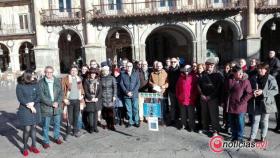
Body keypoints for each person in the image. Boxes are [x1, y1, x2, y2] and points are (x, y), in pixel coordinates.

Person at [248, 63, 279, 142]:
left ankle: (263, 136)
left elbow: (275, 91)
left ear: (266, 70)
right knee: (255, 120)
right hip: (256, 102)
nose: (260, 70)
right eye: (258, 68)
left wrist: (263, 92)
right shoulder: (253, 78)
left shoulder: (271, 78)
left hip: (267, 103)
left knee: (264, 120)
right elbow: (248, 88)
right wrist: (253, 91)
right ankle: (252, 137)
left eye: (262, 69)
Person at [223, 66, 253, 142]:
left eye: (241, 72)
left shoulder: (245, 81)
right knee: (232, 122)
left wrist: (242, 101)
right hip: (230, 105)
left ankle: (239, 138)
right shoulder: (229, 80)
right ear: (234, 73)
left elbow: (249, 93)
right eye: (239, 73)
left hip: (240, 106)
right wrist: (223, 101)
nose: (241, 74)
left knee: (240, 122)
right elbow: (224, 91)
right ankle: (234, 136)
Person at [16, 70, 41, 156]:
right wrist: (30, 105)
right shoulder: (20, 85)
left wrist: (33, 103)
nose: (34, 77)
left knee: (34, 127)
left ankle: (34, 146)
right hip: (25, 109)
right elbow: (20, 98)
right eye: (33, 75)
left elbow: (39, 96)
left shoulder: (36, 84)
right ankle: (25, 147)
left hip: (35, 107)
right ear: (28, 76)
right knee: (27, 129)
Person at [39, 66, 63, 149]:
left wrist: (57, 102)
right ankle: (46, 141)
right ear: (44, 72)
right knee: (45, 125)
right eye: (47, 72)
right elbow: (41, 96)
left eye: (50, 72)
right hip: (46, 108)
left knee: (57, 123)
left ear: (53, 72)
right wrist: (51, 103)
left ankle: (56, 137)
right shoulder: (41, 83)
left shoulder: (57, 81)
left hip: (57, 107)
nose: (49, 73)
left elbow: (61, 93)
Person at [198, 58, 224, 136]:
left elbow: (219, 88)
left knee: (214, 115)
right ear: (205, 65)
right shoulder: (202, 74)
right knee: (204, 114)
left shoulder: (218, 75)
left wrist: (210, 96)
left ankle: (216, 130)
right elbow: (198, 85)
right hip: (203, 97)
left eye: (211, 65)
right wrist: (201, 94)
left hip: (213, 98)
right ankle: (205, 128)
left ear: (214, 66)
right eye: (208, 65)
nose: (209, 66)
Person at [62, 65, 85, 139]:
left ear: (77, 72)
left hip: (77, 100)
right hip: (69, 101)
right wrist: (64, 99)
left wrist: (82, 95)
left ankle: (75, 131)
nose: (74, 72)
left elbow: (81, 89)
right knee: (69, 117)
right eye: (72, 70)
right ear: (70, 71)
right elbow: (62, 90)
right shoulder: (65, 79)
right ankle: (68, 132)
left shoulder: (79, 79)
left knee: (76, 116)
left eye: (75, 71)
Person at [176, 65, 198, 132]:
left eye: (188, 69)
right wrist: (178, 96)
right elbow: (177, 87)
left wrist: (194, 97)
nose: (186, 71)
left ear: (190, 70)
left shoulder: (194, 77)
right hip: (182, 99)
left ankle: (192, 126)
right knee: (183, 113)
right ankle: (184, 125)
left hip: (190, 99)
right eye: (185, 69)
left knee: (191, 114)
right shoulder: (180, 77)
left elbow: (196, 89)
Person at [120, 62, 140, 127]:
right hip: (126, 95)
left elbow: (138, 84)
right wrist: (126, 92)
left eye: (130, 66)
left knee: (135, 108)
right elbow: (121, 84)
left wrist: (133, 92)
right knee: (129, 109)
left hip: (134, 94)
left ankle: (136, 121)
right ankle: (130, 121)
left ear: (132, 67)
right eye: (127, 66)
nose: (128, 67)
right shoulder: (123, 74)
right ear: (126, 67)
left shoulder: (136, 74)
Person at [83, 68, 102, 133]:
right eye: (91, 73)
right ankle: (91, 128)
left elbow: (100, 91)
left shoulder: (98, 81)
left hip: (96, 100)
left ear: (96, 74)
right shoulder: (86, 81)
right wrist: (91, 98)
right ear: (89, 74)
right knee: (90, 114)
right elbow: (86, 91)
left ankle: (95, 127)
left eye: (94, 73)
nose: (93, 74)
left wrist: (97, 98)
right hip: (89, 100)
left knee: (96, 114)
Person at [266, 51, 280, 131]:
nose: (270, 54)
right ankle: (278, 126)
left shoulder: (277, 61)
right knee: (277, 110)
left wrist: (271, 75)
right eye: (269, 53)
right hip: (277, 92)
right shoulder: (267, 60)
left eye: (271, 53)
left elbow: (276, 70)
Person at [100, 66, 117, 130]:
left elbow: (115, 87)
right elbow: (100, 88)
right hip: (103, 97)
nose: (105, 72)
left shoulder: (112, 78)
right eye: (104, 70)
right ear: (103, 71)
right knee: (105, 113)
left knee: (111, 113)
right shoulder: (101, 78)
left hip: (110, 97)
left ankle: (112, 125)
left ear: (108, 71)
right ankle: (108, 124)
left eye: (107, 70)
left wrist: (114, 96)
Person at [168, 57, 181, 126]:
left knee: (179, 105)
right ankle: (172, 119)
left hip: (179, 91)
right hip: (171, 90)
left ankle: (179, 119)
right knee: (172, 106)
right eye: (172, 62)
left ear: (177, 62)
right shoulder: (169, 69)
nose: (173, 63)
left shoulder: (180, 69)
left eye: (174, 62)